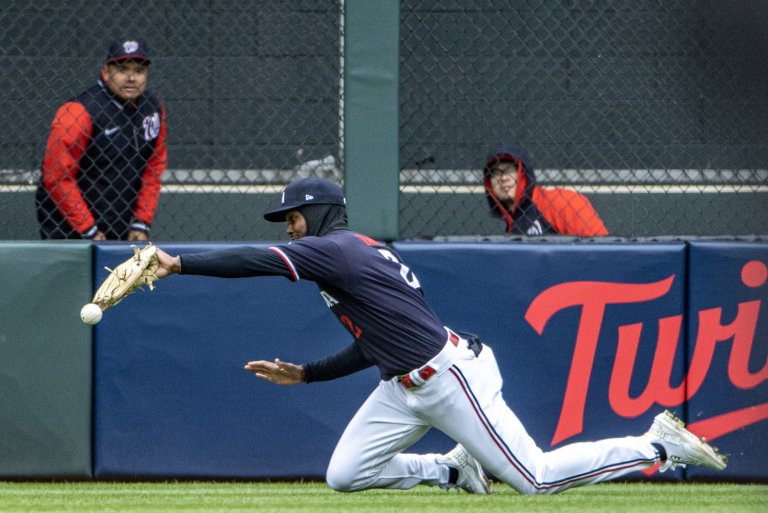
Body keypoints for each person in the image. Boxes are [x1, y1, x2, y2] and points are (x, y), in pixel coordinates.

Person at [151, 176, 726, 495]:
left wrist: (178, 262)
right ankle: (453, 469)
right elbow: (373, 345)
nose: (289, 229)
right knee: (345, 475)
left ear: (319, 213)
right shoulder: (353, 253)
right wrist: (306, 374)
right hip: (404, 384)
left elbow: (256, 261)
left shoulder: (336, 249)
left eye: (293, 218)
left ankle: (656, 446)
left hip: (450, 379)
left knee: (536, 479)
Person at [35, 38, 167, 241]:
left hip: (120, 225)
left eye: (139, 71)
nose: (131, 78)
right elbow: (57, 176)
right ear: (106, 72)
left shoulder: (153, 109)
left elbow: (153, 168)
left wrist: (141, 221)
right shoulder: (78, 112)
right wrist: (88, 229)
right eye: (122, 70)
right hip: (69, 228)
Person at [483, 145, 608, 236]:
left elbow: (601, 250)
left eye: (510, 170)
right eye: (496, 172)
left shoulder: (561, 201)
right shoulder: (513, 225)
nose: (503, 178)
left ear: (524, 174)